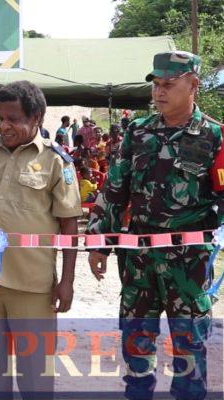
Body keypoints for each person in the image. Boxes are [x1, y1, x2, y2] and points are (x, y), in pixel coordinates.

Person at [87, 51, 223, 400]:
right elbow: (114, 190)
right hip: (139, 261)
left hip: (189, 264)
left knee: (190, 347)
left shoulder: (214, 137)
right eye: (156, 85)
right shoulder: (137, 132)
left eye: (169, 85)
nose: (159, 92)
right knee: (136, 344)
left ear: (193, 85)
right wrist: (99, 242)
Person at [0, 80, 82, 399]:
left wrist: (67, 281)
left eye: (13, 119)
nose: (4, 125)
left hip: (33, 287)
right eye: (1, 117)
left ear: (36, 117)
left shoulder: (56, 161)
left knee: (35, 376)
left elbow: (70, 225)